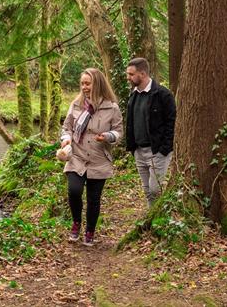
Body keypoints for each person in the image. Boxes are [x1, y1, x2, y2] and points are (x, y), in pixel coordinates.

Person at [59, 68, 123, 246]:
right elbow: (67, 127)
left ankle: (90, 231)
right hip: (77, 157)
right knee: (74, 191)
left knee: (94, 199)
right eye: (82, 84)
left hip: (99, 159)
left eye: (88, 83)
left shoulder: (112, 107)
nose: (84, 87)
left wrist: (108, 136)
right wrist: (66, 139)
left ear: (98, 84)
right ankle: (76, 222)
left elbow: (119, 132)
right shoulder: (76, 104)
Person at [125, 58, 176, 207]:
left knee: (155, 189)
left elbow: (172, 122)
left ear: (143, 73)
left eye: (131, 74)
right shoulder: (133, 95)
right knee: (147, 190)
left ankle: (162, 220)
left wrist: (164, 149)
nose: (128, 77)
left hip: (157, 151)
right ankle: (151, 219)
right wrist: (133, 148)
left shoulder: (162, 94)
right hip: (139, 151)